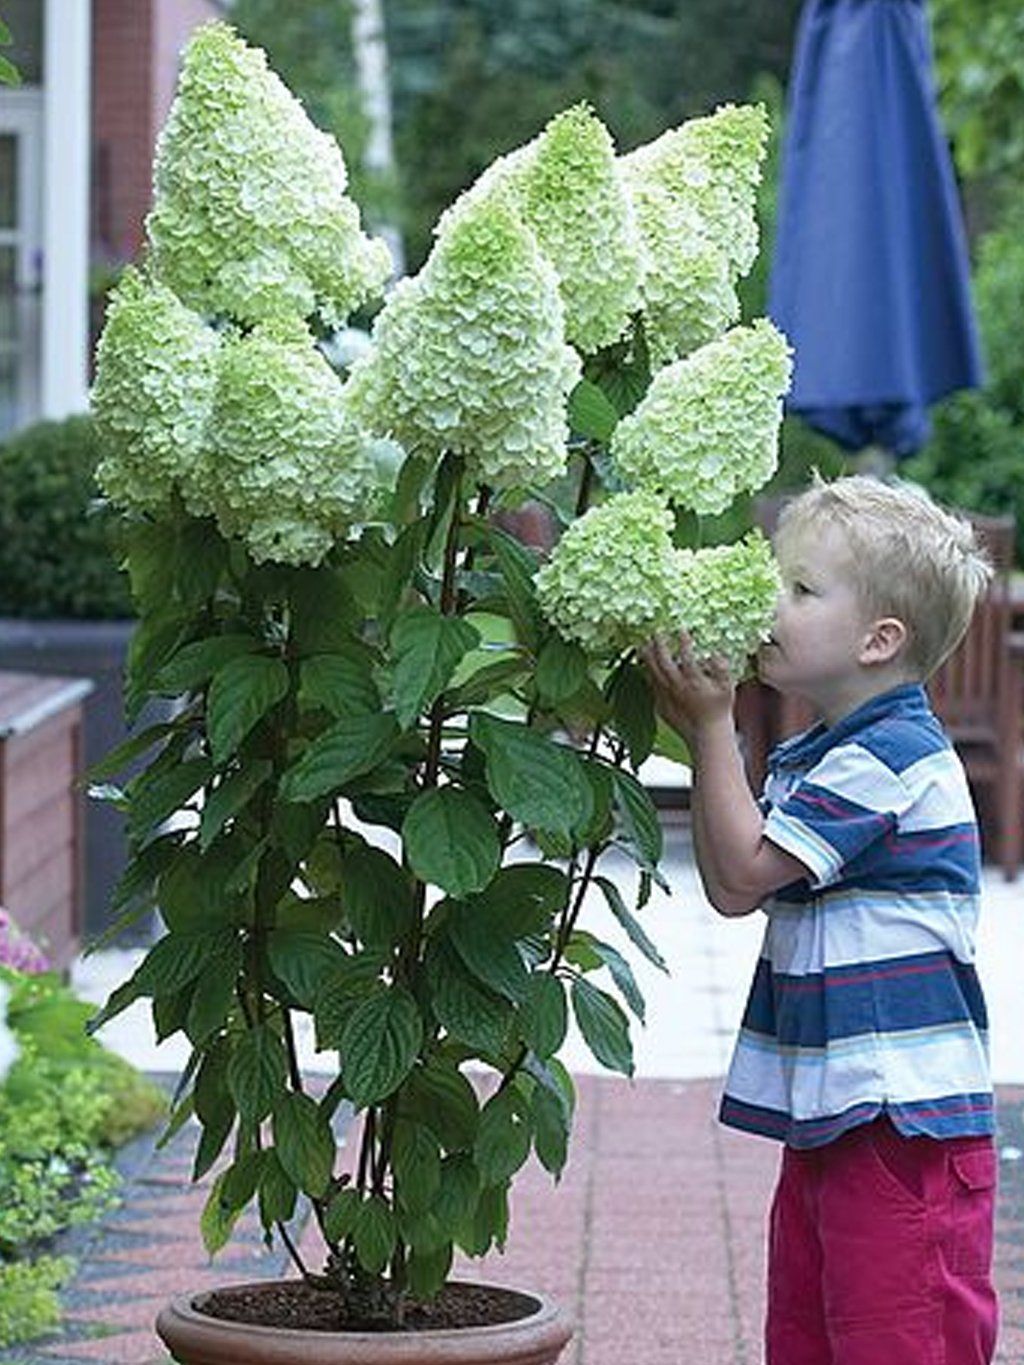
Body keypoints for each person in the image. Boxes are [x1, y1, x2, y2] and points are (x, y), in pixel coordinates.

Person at [643, 475, 999, 1365]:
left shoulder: (893, 755)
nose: (772, 600)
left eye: (801, 589)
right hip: (839, 1117)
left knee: (899, 1342)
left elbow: (740, 874)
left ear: (880, 640)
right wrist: (707, 727)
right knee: (806, 1337)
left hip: (900, 1129)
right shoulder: (825, 753)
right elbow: (735, 879)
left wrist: (711, 724)